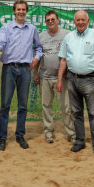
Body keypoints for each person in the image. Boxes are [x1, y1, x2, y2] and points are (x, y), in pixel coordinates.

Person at [0, 0, 43, 151]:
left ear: (26, 11)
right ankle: (2, 138)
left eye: (23, 9)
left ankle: (20, 135)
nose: (21, 12)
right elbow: (0, 43)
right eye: (18, 9)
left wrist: (37, 57)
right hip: (9, 69)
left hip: (25, 70)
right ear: (14, 11)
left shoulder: (32, 29)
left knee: (22, 105)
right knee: (5, 104)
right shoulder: (6, 28)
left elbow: (39, 47)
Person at [56, 10, 94, 160]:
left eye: (82, 20)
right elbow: (63, 60)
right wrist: (60, 79)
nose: (80, 22)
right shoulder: (68, 37)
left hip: (90, 80)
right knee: (76, 113)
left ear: (88, 20)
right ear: (74, 21)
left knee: (93, 114)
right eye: (77, 20)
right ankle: (80, 141)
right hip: (72, 79)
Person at [33, 10, 75, 144]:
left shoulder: (67, 35)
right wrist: (35, 73)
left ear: (58, 20)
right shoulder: (40, 36)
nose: (50, 22)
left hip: (62, 78)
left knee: (67, 107)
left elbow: (72, 54)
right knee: (46, 105)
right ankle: (48, 131)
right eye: (48, 20)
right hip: (44, 76)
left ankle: (71, 133)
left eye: (53, 19)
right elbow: (38, 56)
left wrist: (69, 70)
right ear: (45, 22)